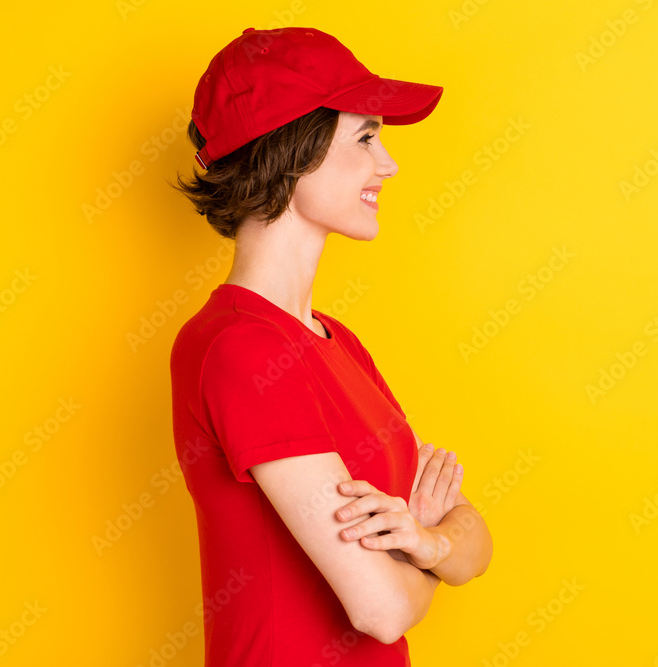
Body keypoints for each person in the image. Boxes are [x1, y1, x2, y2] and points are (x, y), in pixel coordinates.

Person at [168, 27, 493, 666]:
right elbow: (381, 611)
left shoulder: (338, 343)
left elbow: (474, 539)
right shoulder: (242, 348)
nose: (388, 163)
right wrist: (426, 552)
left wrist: (426, 547)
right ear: (292, 151)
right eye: (366, 137)